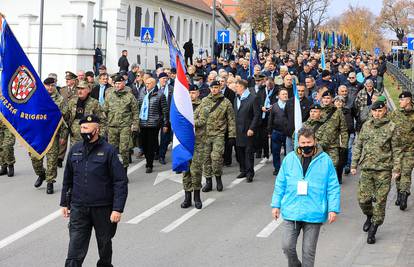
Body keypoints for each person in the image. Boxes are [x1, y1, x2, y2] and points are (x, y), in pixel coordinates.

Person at [60, 114, 128, 267]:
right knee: (74, 248)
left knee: (104, 245)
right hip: (79, 208)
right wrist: (64, 203)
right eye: (81, 128)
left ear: (96, 130)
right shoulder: (75, 150)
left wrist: (117, 209)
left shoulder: (109, 151)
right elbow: (67, 179)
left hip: (102, 208)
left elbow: (120, 181)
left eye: (86, 128)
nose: (83, 131)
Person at [271, 126, 340, 267]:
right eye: (303, 143)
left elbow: (333, 186)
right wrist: (276, 205)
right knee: (287, 246)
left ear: (314, 141)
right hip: (292, 211)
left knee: (308, 252)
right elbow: (280, 183)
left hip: (314, 212)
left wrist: (333, 209)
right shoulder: (289, 159)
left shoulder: (325, 160)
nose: (306, 146)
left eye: (309, 143)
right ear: (298, 143)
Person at [351, 100, 402, 244]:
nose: (377, 114)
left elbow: (397, 150)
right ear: (371, 111)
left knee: (380, 201)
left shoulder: (392, 127)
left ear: (385, 110)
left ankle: (374, 227)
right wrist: (354, 164)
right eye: (375, 111)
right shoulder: (366, 125)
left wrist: (396, 169)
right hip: (367, 168)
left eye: (380, 111)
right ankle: (369, 215)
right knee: (363, 200)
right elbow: (358, 145)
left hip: (384, 170)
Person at [31, 78, 67, 194]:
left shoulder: (60, 100)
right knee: (35, 158)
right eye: (47, 85)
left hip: (52, 135)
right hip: (38, 134)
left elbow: (64, 119)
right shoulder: (37, 98)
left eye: (52, 85)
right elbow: (30, 115)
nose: (50, 88)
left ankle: (50, 182)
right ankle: (41, 174)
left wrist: (63, 136)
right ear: (44, 86)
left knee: (52, 160)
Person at [59, 81, 107, 167]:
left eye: (82, 89)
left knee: (90, 160)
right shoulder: (72, 102)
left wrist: (100, 135)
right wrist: (63, 136)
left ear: (88, 90)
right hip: (74, 137)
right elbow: (65, 120)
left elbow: (102, 121)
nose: (79, 91)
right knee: (75, 160)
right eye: (78, 89)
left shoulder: (94, 103)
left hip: (90, 137)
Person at [199, 81, 236, 192]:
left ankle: (218, 180)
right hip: (205, 135)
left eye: (216, 87)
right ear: (210, 88)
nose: (214, 89)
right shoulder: (204, 101)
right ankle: (208, 182)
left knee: (216, 158)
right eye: (212, 87)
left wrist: (231, 136)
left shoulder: (226, 102)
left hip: (218, 135)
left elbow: (231, 119)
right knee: (206, 159)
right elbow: (199, 117)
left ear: (220, 88)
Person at [103, 75, 139, 173]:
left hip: (125, 126)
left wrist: (135, 125)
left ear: (124, 83)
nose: (118, 85)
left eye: (119, 83)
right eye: (116, 83)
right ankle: (113, 171)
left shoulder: (130, 96)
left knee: (124, 149)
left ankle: (124, 169)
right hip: (112, 126)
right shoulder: (109, 96)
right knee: (111, 150)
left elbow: (135, 112)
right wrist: (104, 124)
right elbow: (104, 111)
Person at [389, 91, 414, 210]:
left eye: (402, 100)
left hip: (410, 150)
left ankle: (404, 195)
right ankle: (399, 193)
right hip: (397, 150)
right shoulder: (395, 114)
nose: (400, 102)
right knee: (398, 173)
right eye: (399, 100)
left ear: (408, 100)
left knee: (406, 172)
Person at [137, 78, 168, 173]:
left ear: (154, 84)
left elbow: (165, 111)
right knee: (143, 144)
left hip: (154, 123)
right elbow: (138, 107)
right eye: (146, 83)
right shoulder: (142, 93)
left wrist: (165, 124)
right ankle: (148, 157)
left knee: (150, 144)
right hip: (142, 122)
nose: (147, 85)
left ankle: (149, 164)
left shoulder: (160, 95)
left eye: (149, 83)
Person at [181, 84, 204, 209]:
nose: (192, 95)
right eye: (190, 93)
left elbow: (203, 121)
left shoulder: (202, 106)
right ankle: (187, 197)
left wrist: (189, 122)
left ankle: (197, 197)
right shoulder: (182, 106)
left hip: (197, 142)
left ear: (198, 93)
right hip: (184, 142)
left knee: (196, 170)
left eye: (194, 93)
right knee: (186, 171)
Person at [234, 79, 260, 182]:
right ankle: (243, 170)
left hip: (248, 130)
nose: (235, 88)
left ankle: (250, 173)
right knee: (240, 151)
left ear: (242, 87)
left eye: (237, 86)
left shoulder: (253, 98)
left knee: (248, 153)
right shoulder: (237, 98)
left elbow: (257, 115)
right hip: (238, 130)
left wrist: (252, 128)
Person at [268, 88, 289, 175]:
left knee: (288, 152)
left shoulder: (290, 105)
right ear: (279, 96)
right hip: (276, 132)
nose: (285, 95)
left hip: (287, 132)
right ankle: (277, 168)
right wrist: (269, 131)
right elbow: (270, 119)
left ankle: (287, 168)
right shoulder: (274, 106)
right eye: (283, 94)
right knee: (275, 151)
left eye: (286, 94)